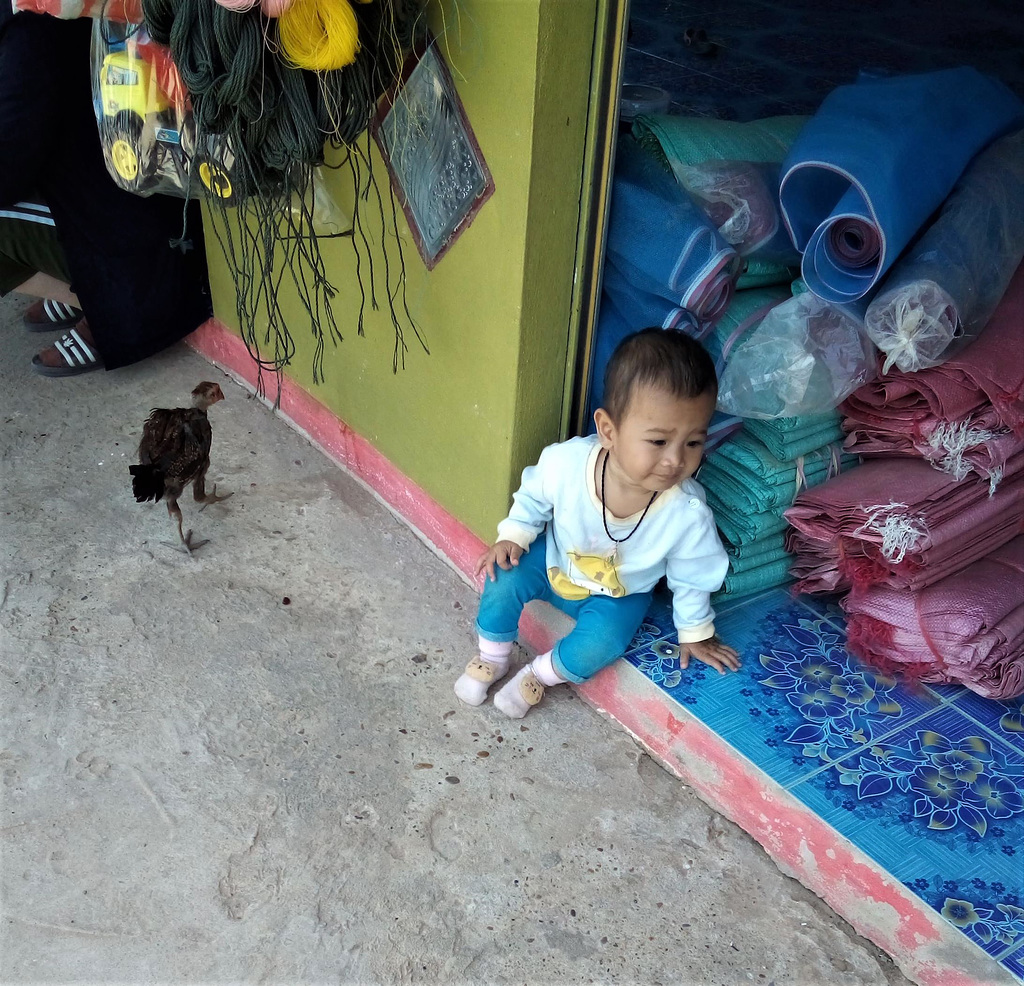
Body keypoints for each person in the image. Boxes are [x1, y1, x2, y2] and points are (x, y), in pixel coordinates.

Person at [455, 327, 740, 719]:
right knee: (502, 577)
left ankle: (539, 674)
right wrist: (515, 534)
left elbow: (694, 574)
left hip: (619, 594)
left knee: (604, 643)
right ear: (608, 430)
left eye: (693, 443)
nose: (676, 460)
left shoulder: (687, 513)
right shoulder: (566, 464)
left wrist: (695, 632)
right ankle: (493, 656)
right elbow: (534, 495)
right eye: (658, 442)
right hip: (554, 561)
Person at [0, 8, 211, 377]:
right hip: (124, 198)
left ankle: (104, 308)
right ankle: (76, 292)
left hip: (141, 237)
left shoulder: (31, 29)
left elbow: (8, 169)